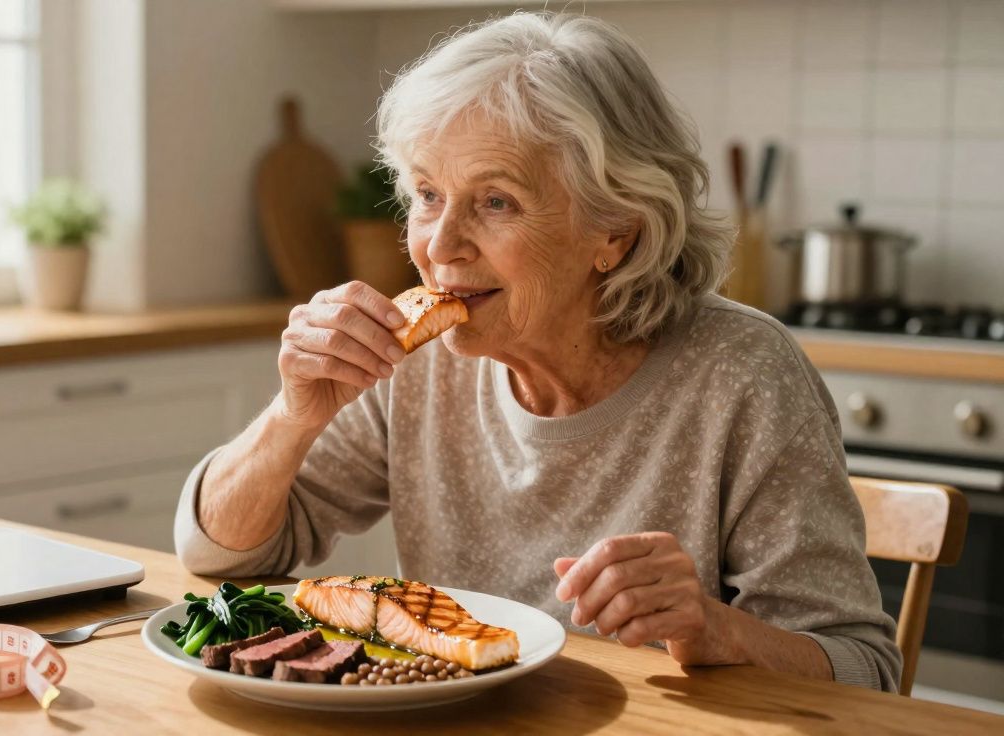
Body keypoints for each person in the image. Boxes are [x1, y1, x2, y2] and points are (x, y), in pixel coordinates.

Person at [174, 12, 900, 692]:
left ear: (615, 230)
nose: (440, 245)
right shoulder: (418, 361)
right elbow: (220, 557)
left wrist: (718, 630)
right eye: (427, 194)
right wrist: (293, 417)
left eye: (496, 202)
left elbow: (866, 671)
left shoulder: (744, 374)